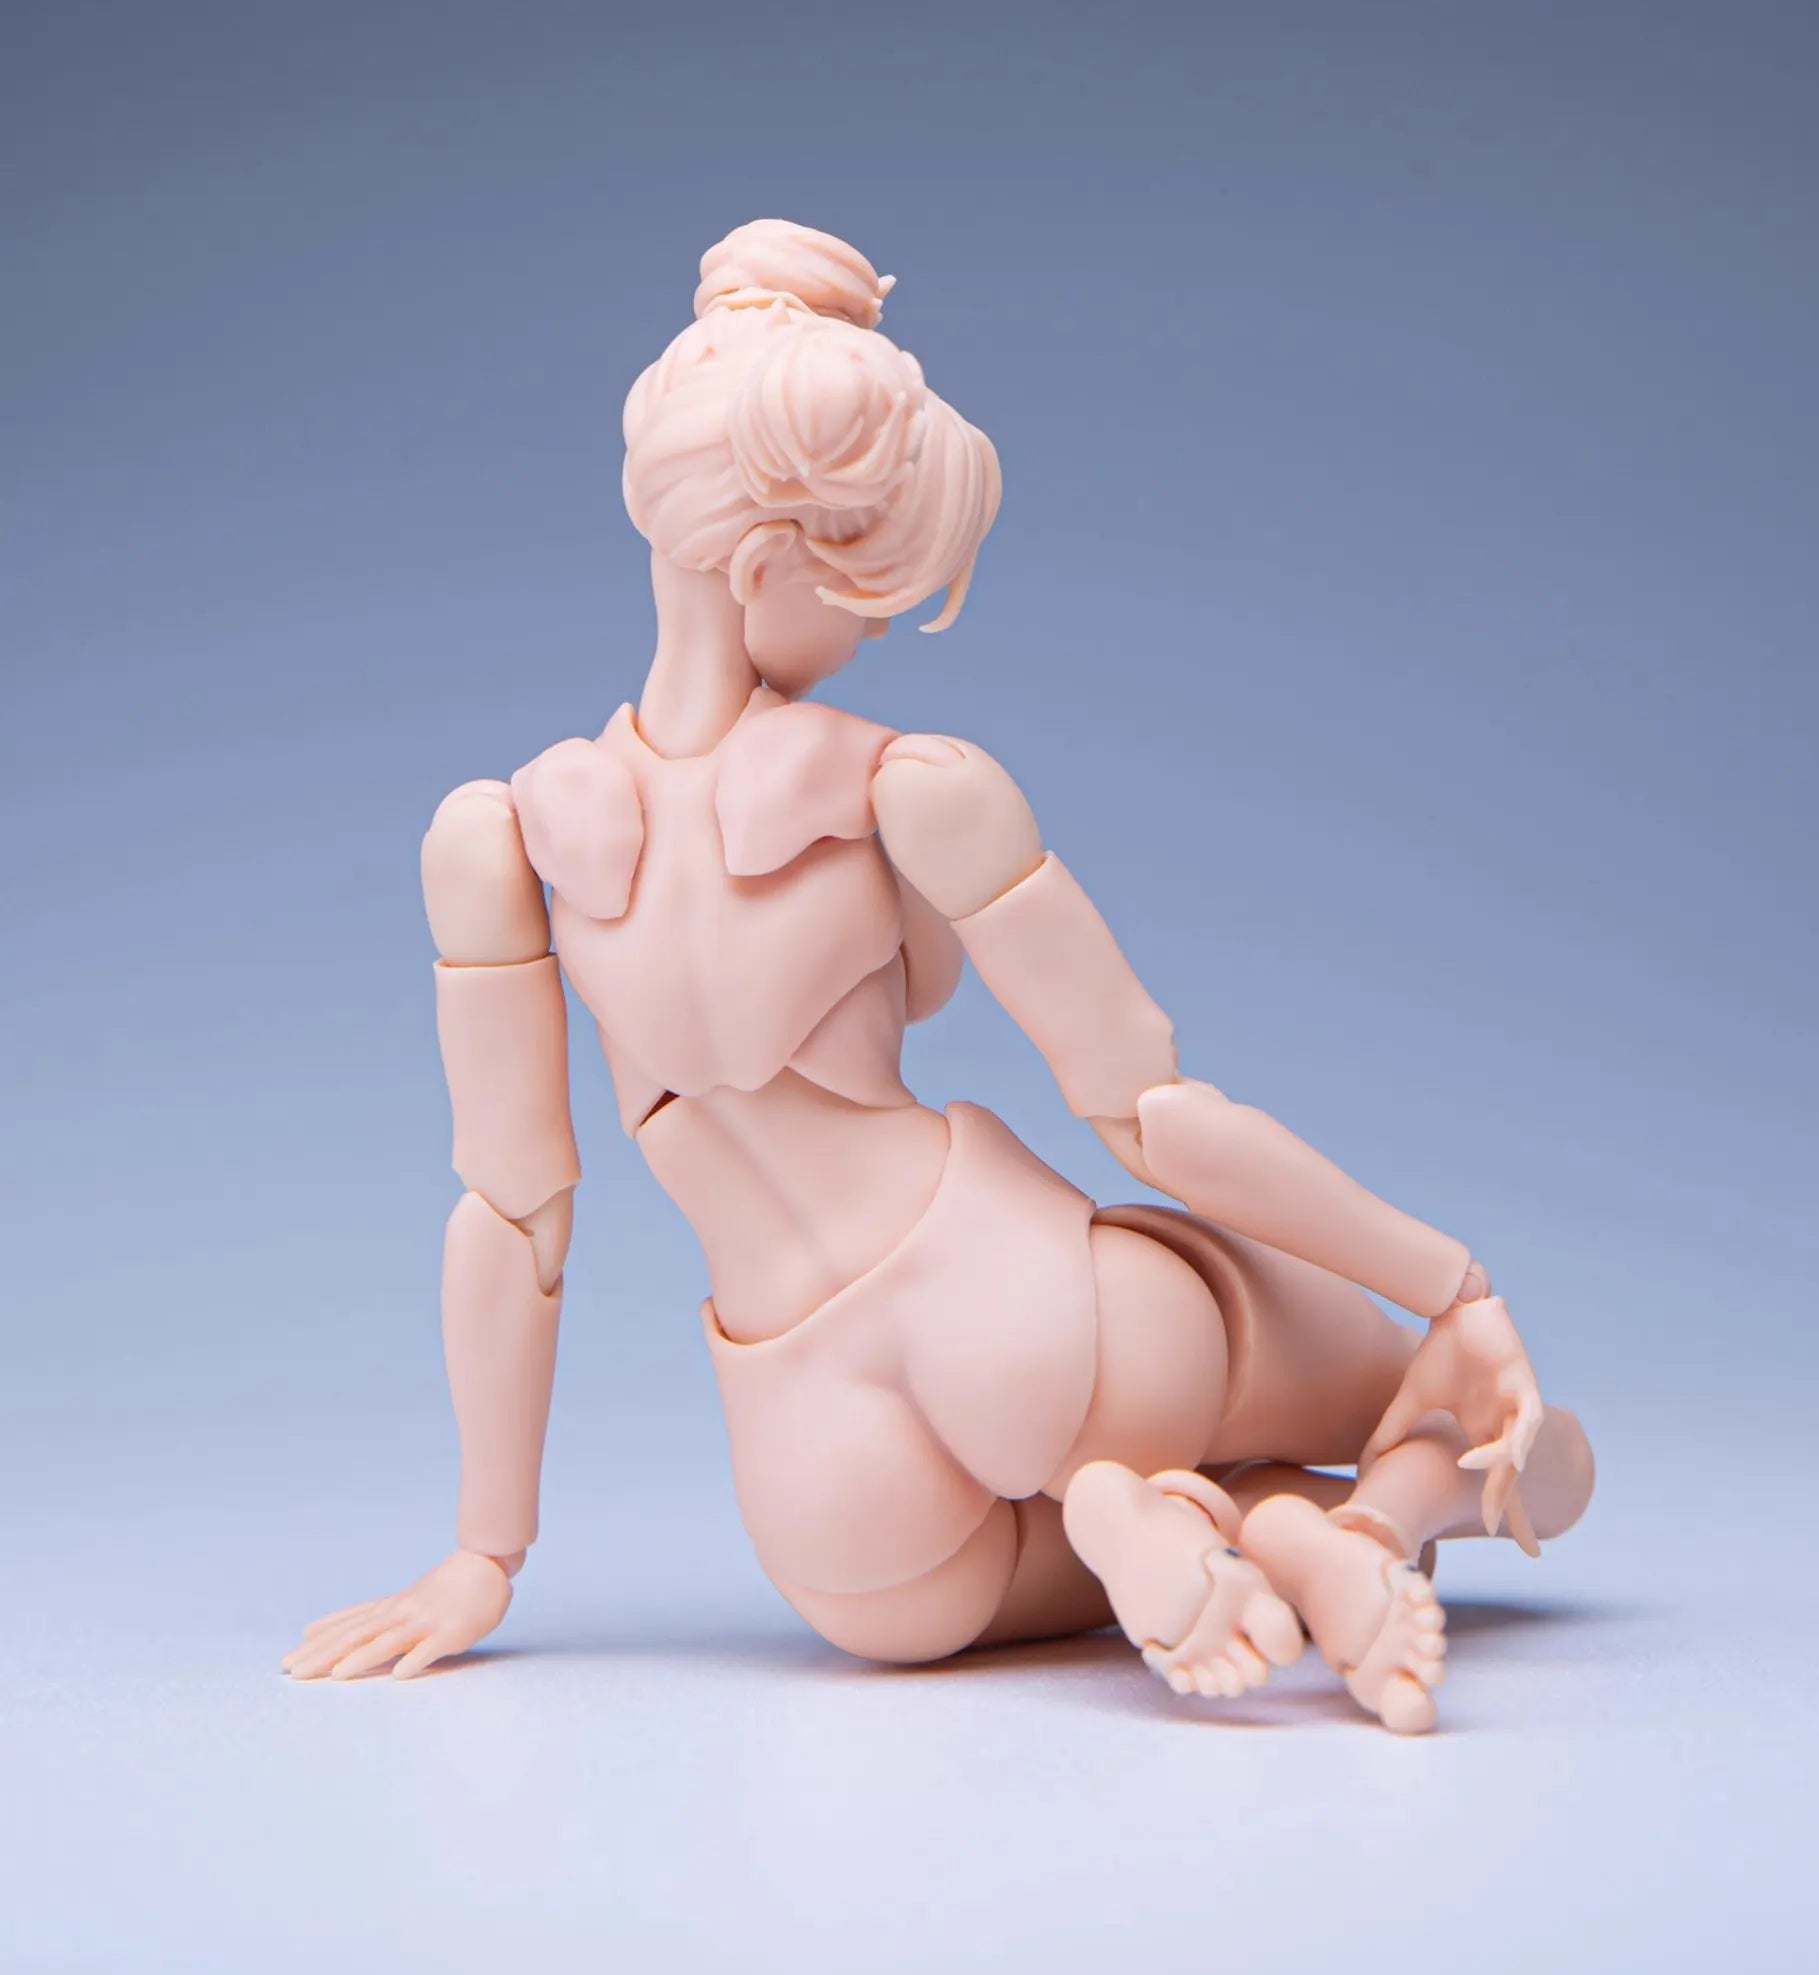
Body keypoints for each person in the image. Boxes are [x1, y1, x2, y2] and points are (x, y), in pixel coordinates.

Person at [285, 219, 1594, 1729]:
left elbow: (513, 1216)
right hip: (1021, 1306)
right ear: (767, 561)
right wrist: (1452, 1284)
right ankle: (1363, 1516)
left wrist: (483, 1555)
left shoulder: (499, 835)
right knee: (1442, 1407)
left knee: (926, 1602)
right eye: (869, 597)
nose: (869, 637)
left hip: (823, 1478)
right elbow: (1148, 1108)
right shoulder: (903, 782)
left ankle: (1183, 1524)